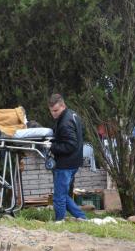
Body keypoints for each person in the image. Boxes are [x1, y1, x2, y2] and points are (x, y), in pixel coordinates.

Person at [47, 93, 86, 222]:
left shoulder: (65, 122)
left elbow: (70, 145)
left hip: (65, 164)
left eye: (56, 110)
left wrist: (51, 146)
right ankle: (82, 217)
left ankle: (60, 221)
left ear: (63, 106)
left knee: (59, 196)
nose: (54, 114)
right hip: (74, 162)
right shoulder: (73, 115)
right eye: (51, 111)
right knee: (63, 194)